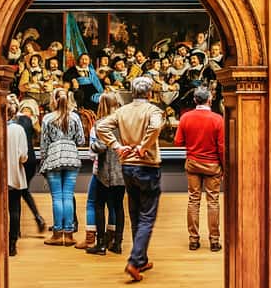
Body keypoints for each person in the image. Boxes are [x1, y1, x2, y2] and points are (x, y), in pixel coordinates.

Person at [96, 77, 164, 281]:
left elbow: (101, 127)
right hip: (147, 166)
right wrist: (143, 147)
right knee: (147, 216)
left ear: (133, 92)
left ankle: (141, 259)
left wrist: (117, 147)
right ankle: (134, 261)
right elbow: (155, 127)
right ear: (149, 93)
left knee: (135, 213)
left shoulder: (122, 111)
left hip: (127, 166)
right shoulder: (153, 111)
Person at [174, 87, 225, 251]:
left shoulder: (186, 118)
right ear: (209, 100)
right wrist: (224, 167)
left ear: (195, 100)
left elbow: (178, 142)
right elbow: (222, 147)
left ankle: (193, 240)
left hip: (193, 163)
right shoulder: (218, 119)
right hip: (212, 165)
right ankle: (214, 240)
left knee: (193, 200)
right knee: (213, 202)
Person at [38, 87, 85, 246]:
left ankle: (57, 234)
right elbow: (81, 140)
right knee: (68, 196)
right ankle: (69, 235)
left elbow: (44, 143)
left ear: (54, 100)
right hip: (71, 157)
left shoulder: (47, 118)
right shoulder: (75, 117)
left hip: (53, 158)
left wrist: (43, 161)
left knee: (57, 197)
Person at [86, 92, 126, 256]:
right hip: (122, 171)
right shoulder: (124, 123)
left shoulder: (101, 123)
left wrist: (92, 146)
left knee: (99, 205)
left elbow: (101, 147)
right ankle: (117, 243)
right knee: (118, 206)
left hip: (105, 172)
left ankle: (101, 244)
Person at [13, 98, 48, 233]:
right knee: (24, 189)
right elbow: (39, 135)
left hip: (19, 159)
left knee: (17, 192)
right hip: (31, 160)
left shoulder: (16, 121)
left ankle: (16, 229)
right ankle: (37, 217)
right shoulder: (34, 122)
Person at [6, 102, 29, 256]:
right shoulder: (18, 129)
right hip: (14, 175)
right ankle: (12, 244)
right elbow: (23, 156)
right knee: (14, 209)